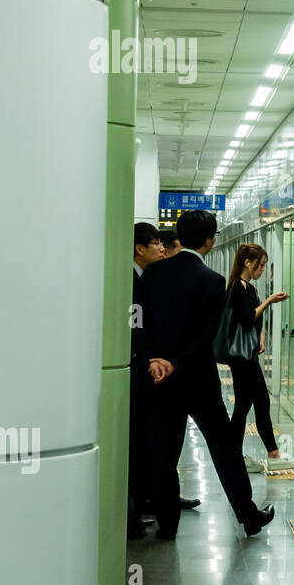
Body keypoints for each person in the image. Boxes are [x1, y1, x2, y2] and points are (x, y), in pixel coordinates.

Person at [136, 210, 275, 540]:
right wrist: (178, 363)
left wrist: (153, 360)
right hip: (198, 380)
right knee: (224, 448)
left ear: (179, 237)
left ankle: (167, 525)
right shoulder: (211, 281)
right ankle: (248, 515)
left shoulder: (151, 276)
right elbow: (206, 336)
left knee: (164, 453)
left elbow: (137, 321)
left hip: (159, 380)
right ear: (211, 241)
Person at [224, 244, 294, 471]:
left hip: (249, 355)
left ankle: (265, 454)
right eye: (261, 264)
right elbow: (248, 317)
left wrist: (261, 337)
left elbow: (255, 318)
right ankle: (261, 455)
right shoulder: (237, 287)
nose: (263, 269)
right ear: (248, 262)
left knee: (252, 404)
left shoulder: (250, 288)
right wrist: (269, 301)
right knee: (250, 405)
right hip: (242, 359)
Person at [128, 224, 163, 540]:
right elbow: (134, 326)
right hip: (135, 372)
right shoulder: (132, 281)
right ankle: (130, 517)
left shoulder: (142, 278)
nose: (161, 248)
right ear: (139, 248)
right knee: (134, 443)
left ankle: (140, 506)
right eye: (155, 243)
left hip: (139, 367)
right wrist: (148, 360)